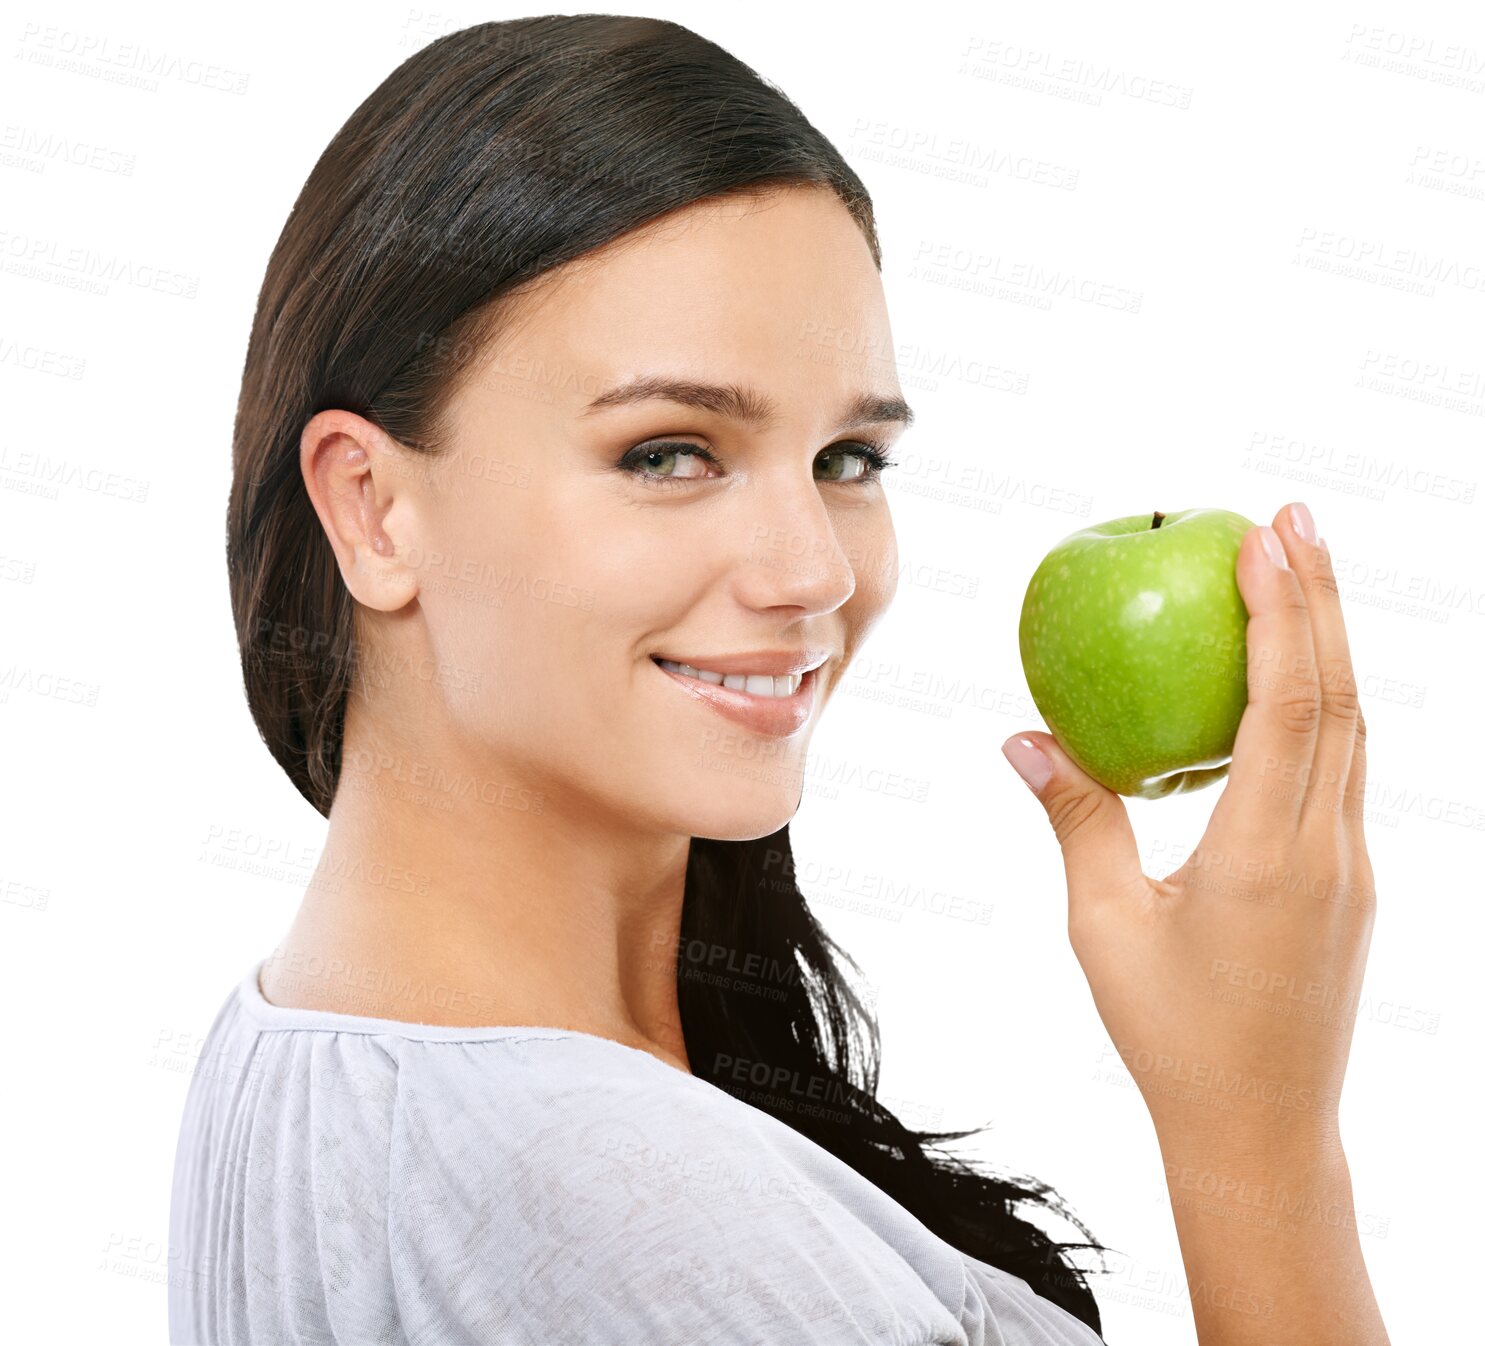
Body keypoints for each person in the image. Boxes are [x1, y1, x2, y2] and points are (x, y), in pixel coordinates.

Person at [168, 15, 1389, 1344]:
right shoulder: (619, 1197)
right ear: (372, 508)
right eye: (669, 452)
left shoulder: (301, 1043)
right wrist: (1259, 1145)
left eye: (846, 458)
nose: (811, 570)